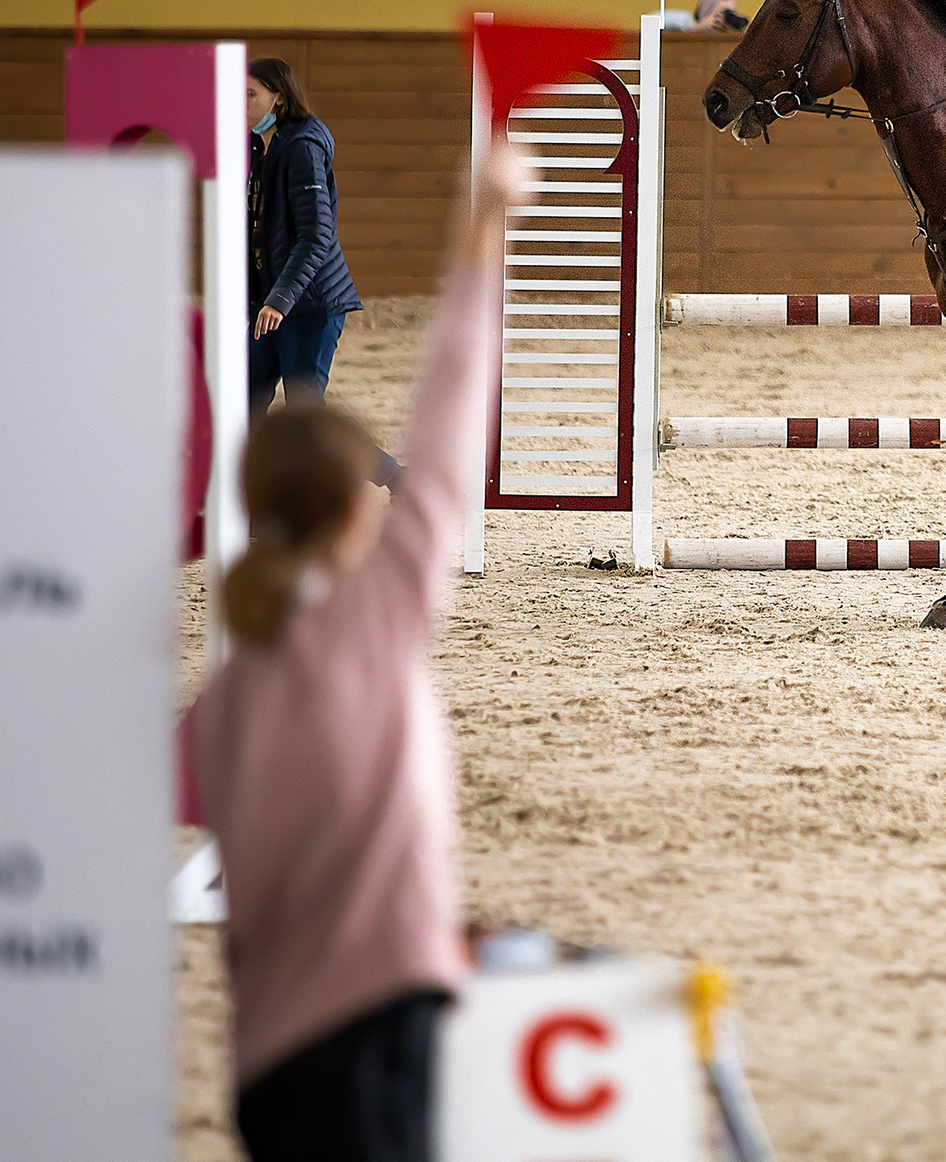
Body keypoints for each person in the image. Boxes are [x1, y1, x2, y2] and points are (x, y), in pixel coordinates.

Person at [187, 140, 532, 1162]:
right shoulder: (374, 618)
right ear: (353, 512)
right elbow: (447, 436)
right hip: (379, 1019)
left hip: (265, 1061)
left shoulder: (222, 695)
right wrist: (481, 237)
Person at [246, 59, 398, 488]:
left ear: (279, 97)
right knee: (242, 404)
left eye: (250, 94)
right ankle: (254, 501)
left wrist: (279, 299)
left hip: (310, 304)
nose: (241, 103)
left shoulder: (302, 148)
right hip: (271, 306)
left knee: (306, 417)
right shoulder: (259, 148)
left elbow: (317, 235)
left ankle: (396, 479)